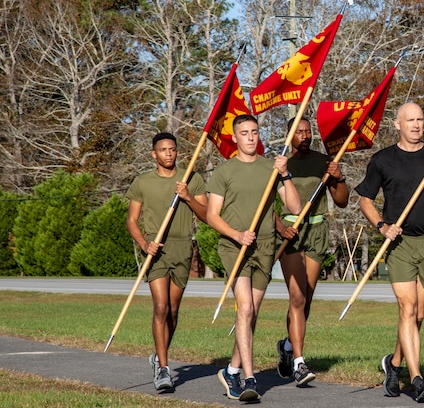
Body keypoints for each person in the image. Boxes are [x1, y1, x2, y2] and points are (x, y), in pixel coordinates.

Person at [355, 102, 424, 402]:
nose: (416, 125)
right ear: (397, 124)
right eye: (410, 120)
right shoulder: (383, 160)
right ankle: (417, 379)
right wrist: (381, 226)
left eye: (420, 120)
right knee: (407, 309)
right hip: (400, 244)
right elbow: (365, 198)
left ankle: (394, 364)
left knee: (418, 314)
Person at [207, 114, 301, 402]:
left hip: (264, 246)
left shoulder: (270, 168)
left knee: (251, 314)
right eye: (244, 133)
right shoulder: (224, 172)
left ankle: (232, 369)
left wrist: (285, 174)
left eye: (254, 132)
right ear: (234, 138)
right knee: (245, 309)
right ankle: (250, 378)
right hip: (234, 247)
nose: (250, 137)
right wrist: (236, 235)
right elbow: (212, 216)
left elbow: (295, 206)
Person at [125, 132, 209, 390]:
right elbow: (131, 221)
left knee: (172, 311)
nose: (169, 154)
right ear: (154, 154)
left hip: (182, 246)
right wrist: (144, 244)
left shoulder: (191, 179)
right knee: (160, 308)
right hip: (155, 248)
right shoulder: (143, 182)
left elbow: (206, 215)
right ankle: (163, 369)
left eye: (172, 149)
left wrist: (187, 197)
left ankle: (158, 356)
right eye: (163, 150)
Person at [274, 117, 349, 386]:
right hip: (290, 236)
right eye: (299, 132)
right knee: (296, 297)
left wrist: (338, 178)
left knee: (305, 298)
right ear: (290, 135)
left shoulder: (323, 162)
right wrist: (280, 227)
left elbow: (341, 201)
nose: (304, 136)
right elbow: (267, 204)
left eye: (308, 132)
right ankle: (299, 362)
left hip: (317, 232)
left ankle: (286, 346)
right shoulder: (281, 164)